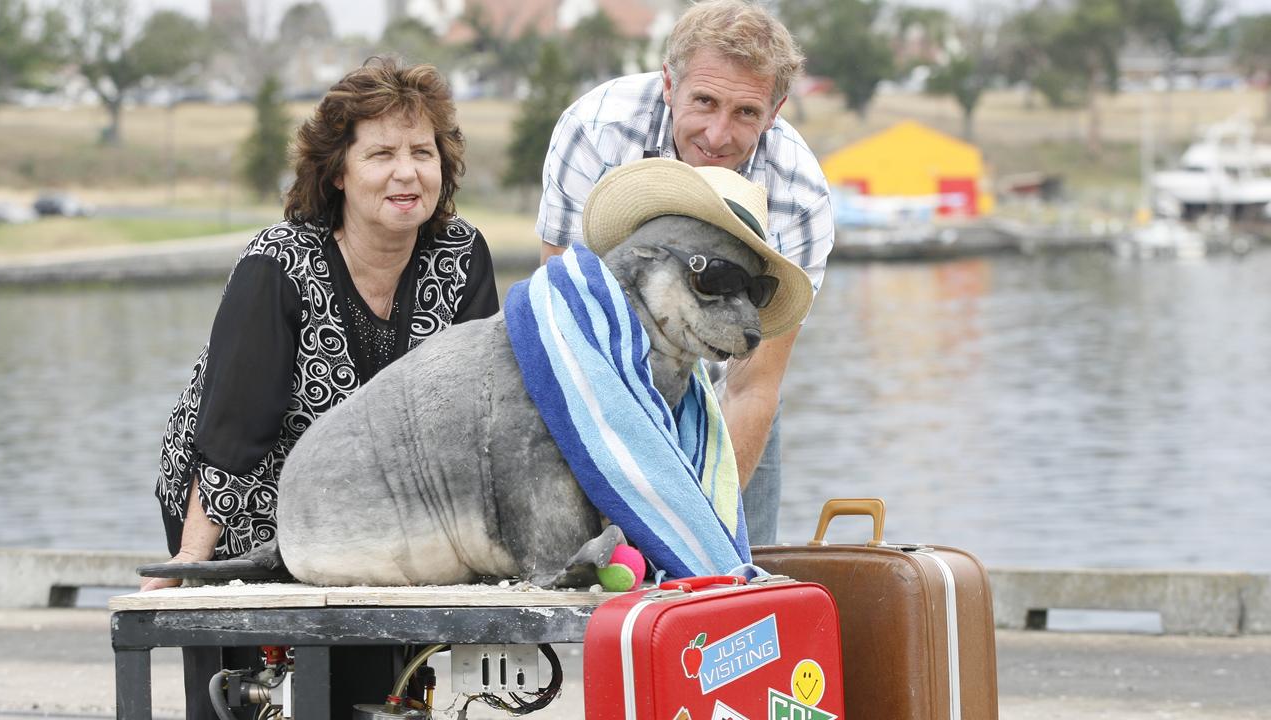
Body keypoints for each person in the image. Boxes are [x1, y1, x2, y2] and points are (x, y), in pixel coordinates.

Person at [143, 58, 499, 719]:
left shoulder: (461, 256)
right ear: (338, 172)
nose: (407, 171)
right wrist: (194, 562)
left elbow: (473, 415)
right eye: (382, 153)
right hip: (243, 496)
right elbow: (233, 430)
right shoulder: (278, 264)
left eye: (423, 152)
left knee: (377, 689)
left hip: (375, 506)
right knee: (248, 694)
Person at [535, 0, 834, 545]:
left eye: (746, 112)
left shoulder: (800, 197)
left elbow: (753, 384)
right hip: (597, 383)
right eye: (704, 101)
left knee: (731, 593)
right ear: (670, 84)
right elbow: (564, 326)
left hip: (727, 400)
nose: (718, 136)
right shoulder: (594, 131)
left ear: (775, 110)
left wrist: (700, 530)